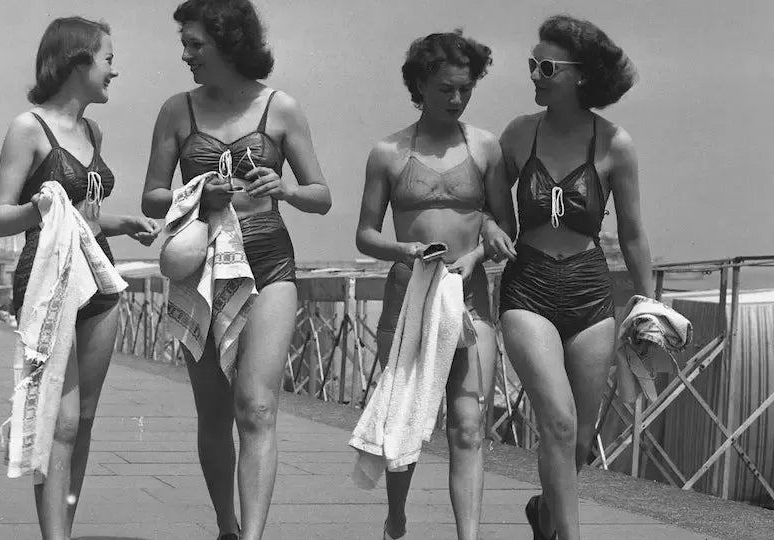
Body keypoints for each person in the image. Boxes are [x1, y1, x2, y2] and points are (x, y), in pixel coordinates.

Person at [142, 1, 331, 538]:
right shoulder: (177, 111)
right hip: (201, 269)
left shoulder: (282, 109)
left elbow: (321, 196)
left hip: (269, 261)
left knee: (256, 407)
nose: (186, 56)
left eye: (195, 45)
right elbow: (153, 197)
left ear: (228, 43)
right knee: (214, 411)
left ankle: (251, 535)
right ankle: (226, 525)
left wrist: (285, 188)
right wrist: (199, 192)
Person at [0, 16, 159, 540]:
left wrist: (125, 221)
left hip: (100, 280)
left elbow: (84, 218)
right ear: (78, 60)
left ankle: (64, 525)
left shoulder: (92, 131)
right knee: (59, 421)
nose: (115, 70)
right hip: (49, 282)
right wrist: (41, 206)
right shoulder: (27, 128)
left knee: (83, 419)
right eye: (108, 59)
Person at [484, 15, 653, 540]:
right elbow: (490, 210)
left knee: (578, 439)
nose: (534, 73)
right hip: (527, 286)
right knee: (555, 421)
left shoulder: (614, 144)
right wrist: (490, 225)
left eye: (546, 66)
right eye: (532, 63)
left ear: (581, 76)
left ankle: (546, 513)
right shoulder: (517, 134)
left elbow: (631, 234)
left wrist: (649, 305)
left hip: (589, 290)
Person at [354, 31, 501, 540]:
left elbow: (503, 226)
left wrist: (480, 251)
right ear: (419, 84)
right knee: (404, 416)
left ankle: (469, 536)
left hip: (469, 297)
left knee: (467, 425)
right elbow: (366, 234)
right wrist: (403, 250)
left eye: (465, 89)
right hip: (408, 291)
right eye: (445, 89)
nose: (456, 99)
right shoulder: (388, 152)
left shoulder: (485, 147)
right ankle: (397, 518)